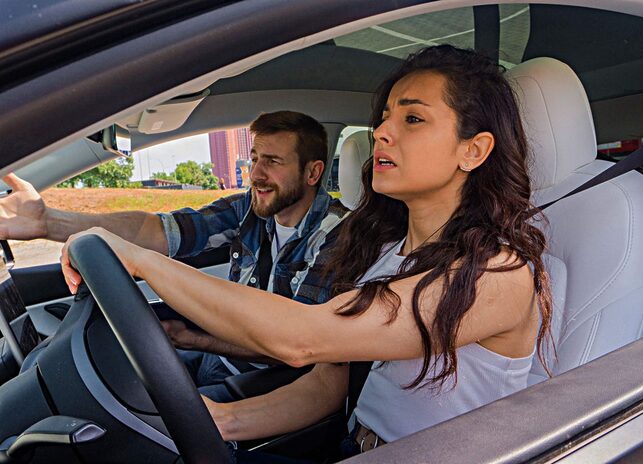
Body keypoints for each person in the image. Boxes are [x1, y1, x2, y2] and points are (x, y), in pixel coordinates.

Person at [60, 45, 553, 462]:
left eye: (413, 118)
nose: (382, 132)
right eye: (384, 118)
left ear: (474, 150)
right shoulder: (389, 254)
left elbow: (303, 339)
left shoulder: (499, 273)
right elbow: (328, 385)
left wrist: (139, 260)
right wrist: (222, 421)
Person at [0, 110, 349, 402]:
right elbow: (157, 231)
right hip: (221, 358)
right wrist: (47, 222)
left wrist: (190, 338)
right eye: (255, 158)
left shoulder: (337, 235)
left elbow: (294, 344)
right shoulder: (251, 208)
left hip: (270, 383)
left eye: (272, 162)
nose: (256, 174)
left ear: (313, 172)